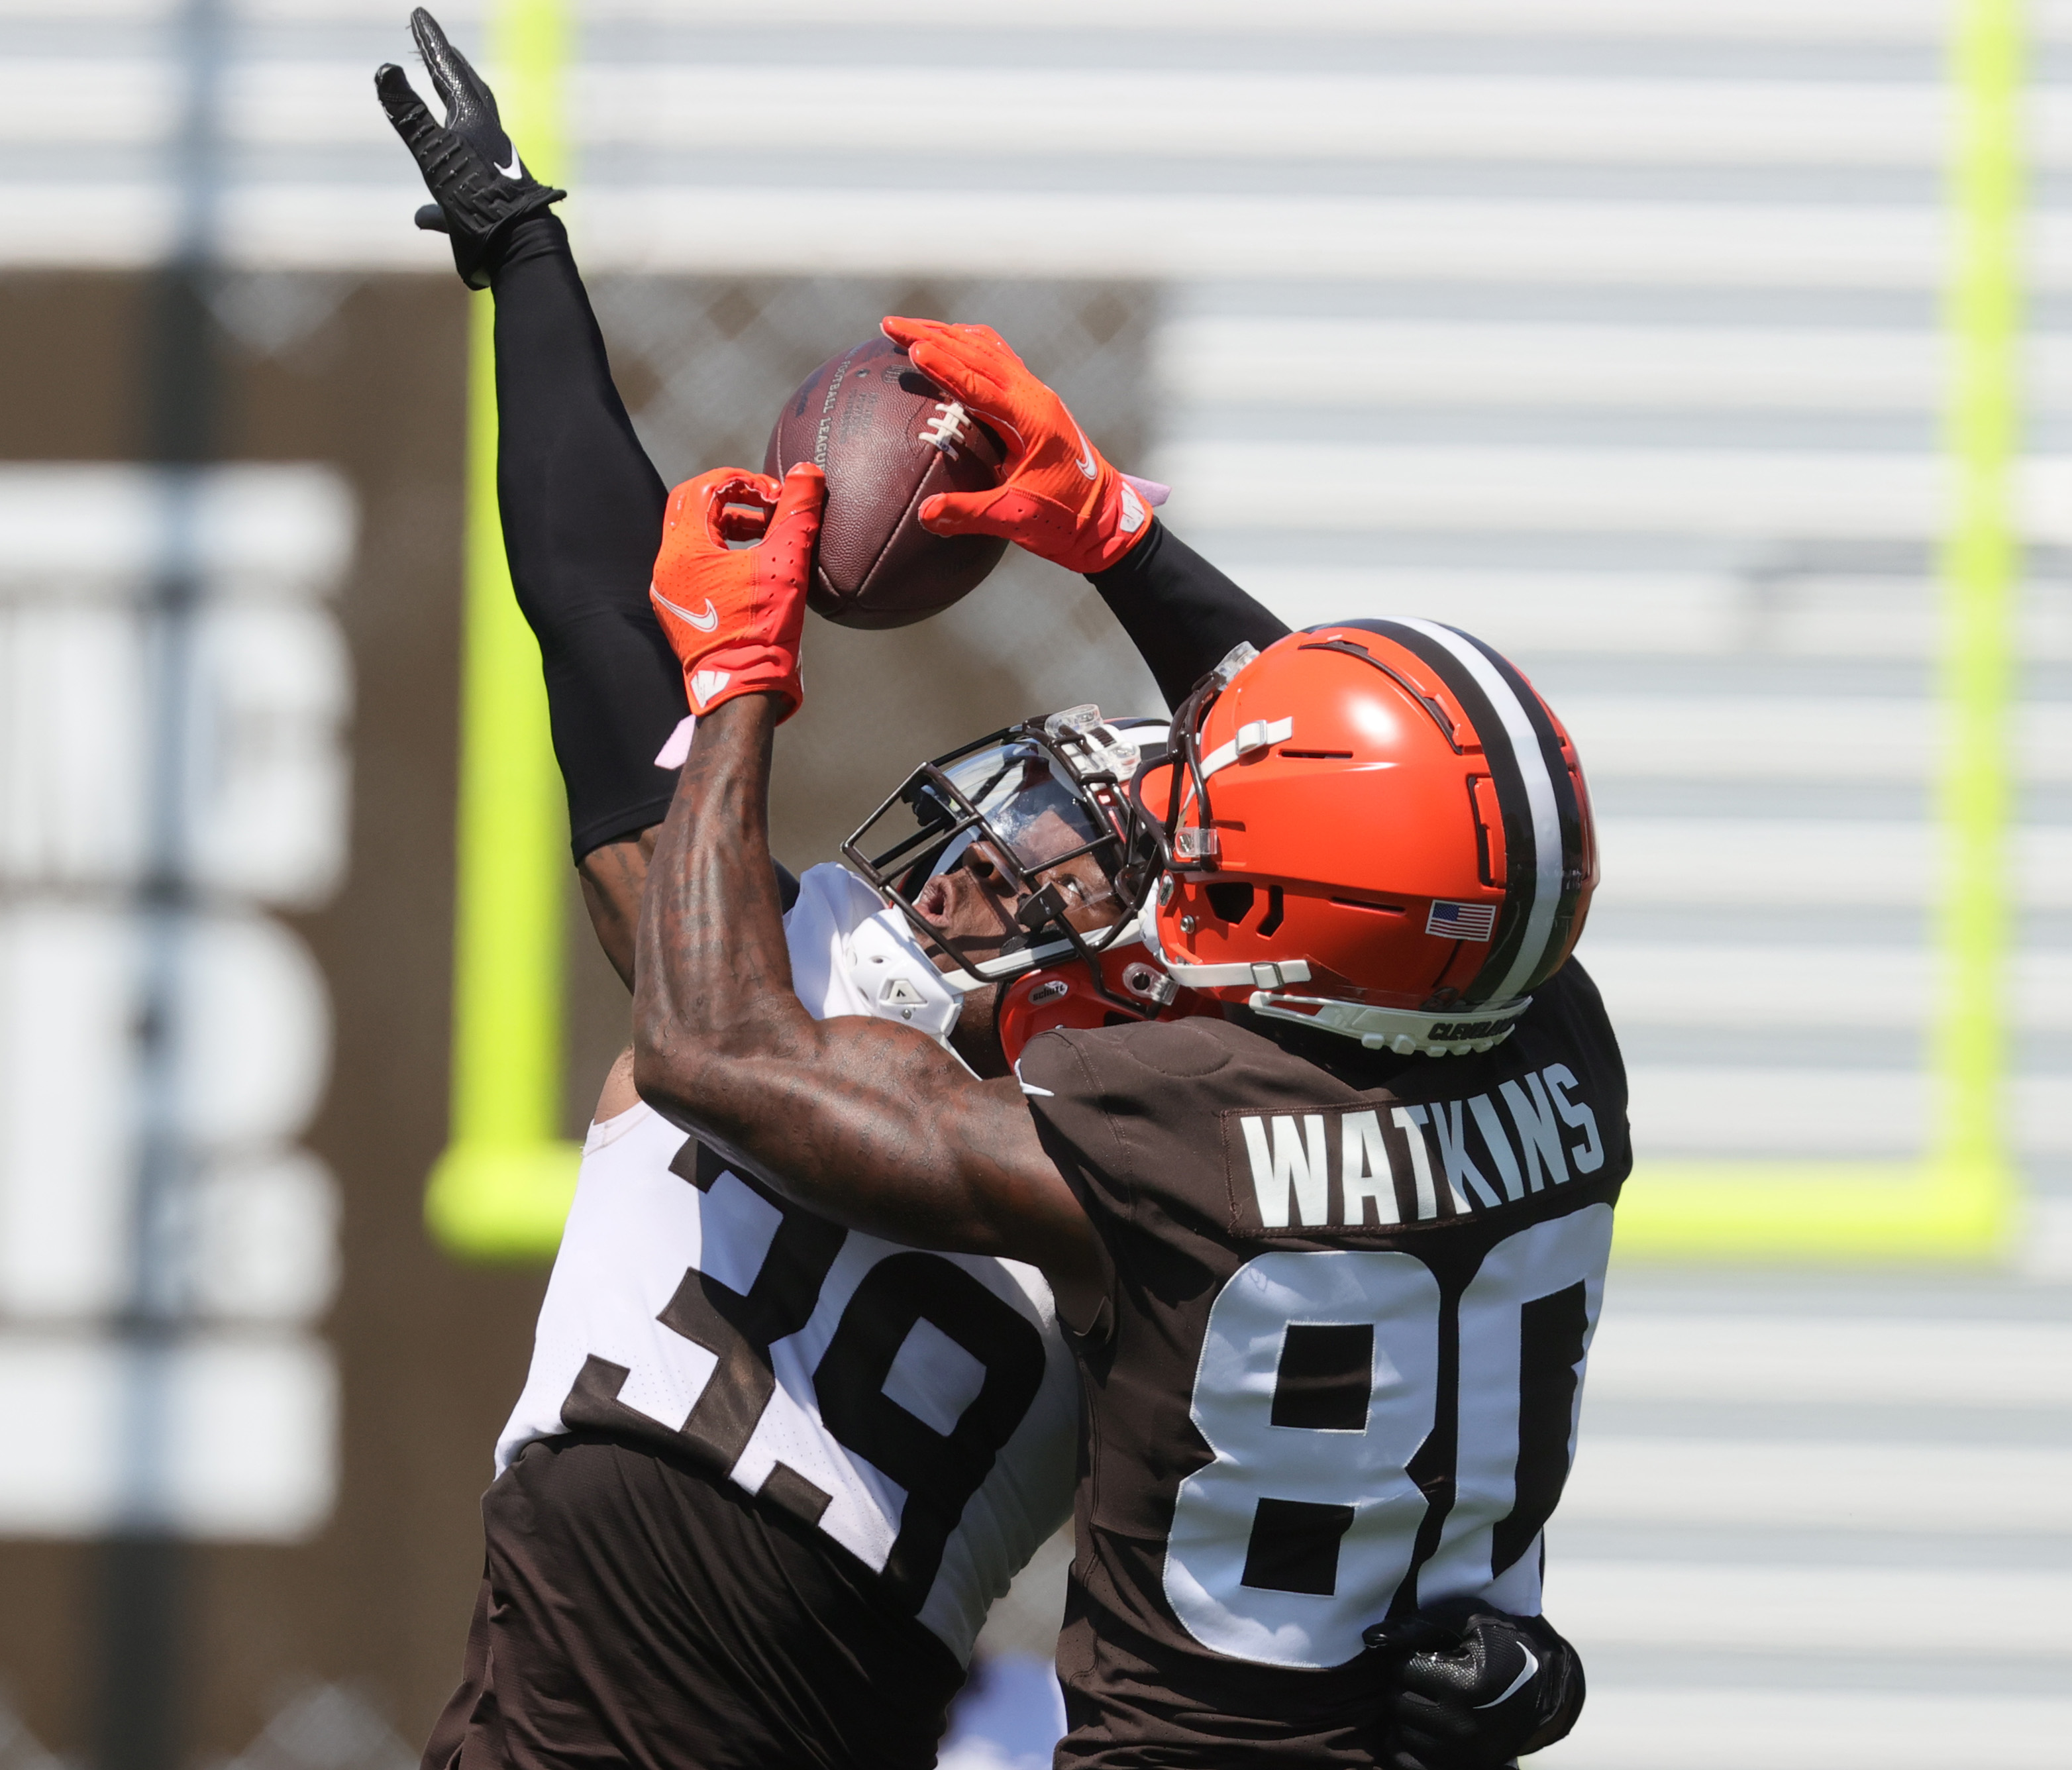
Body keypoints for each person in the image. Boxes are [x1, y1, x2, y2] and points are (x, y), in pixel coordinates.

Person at [380, 12, 1586, 1767]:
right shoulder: (1164, 1187)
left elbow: (603, 637)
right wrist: (522, 251)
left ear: (1152, 955)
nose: (996, 833)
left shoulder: (803, 1005)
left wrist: (733, 678)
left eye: (1071, 841)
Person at [629, 315, 1620, 1769]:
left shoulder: (1176, 1125)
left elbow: (712, 1049)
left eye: (1205, 858)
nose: (1178, 861)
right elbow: (1399, 829)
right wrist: (1112, 533)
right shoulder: (1559, 1044)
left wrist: (732, 688)